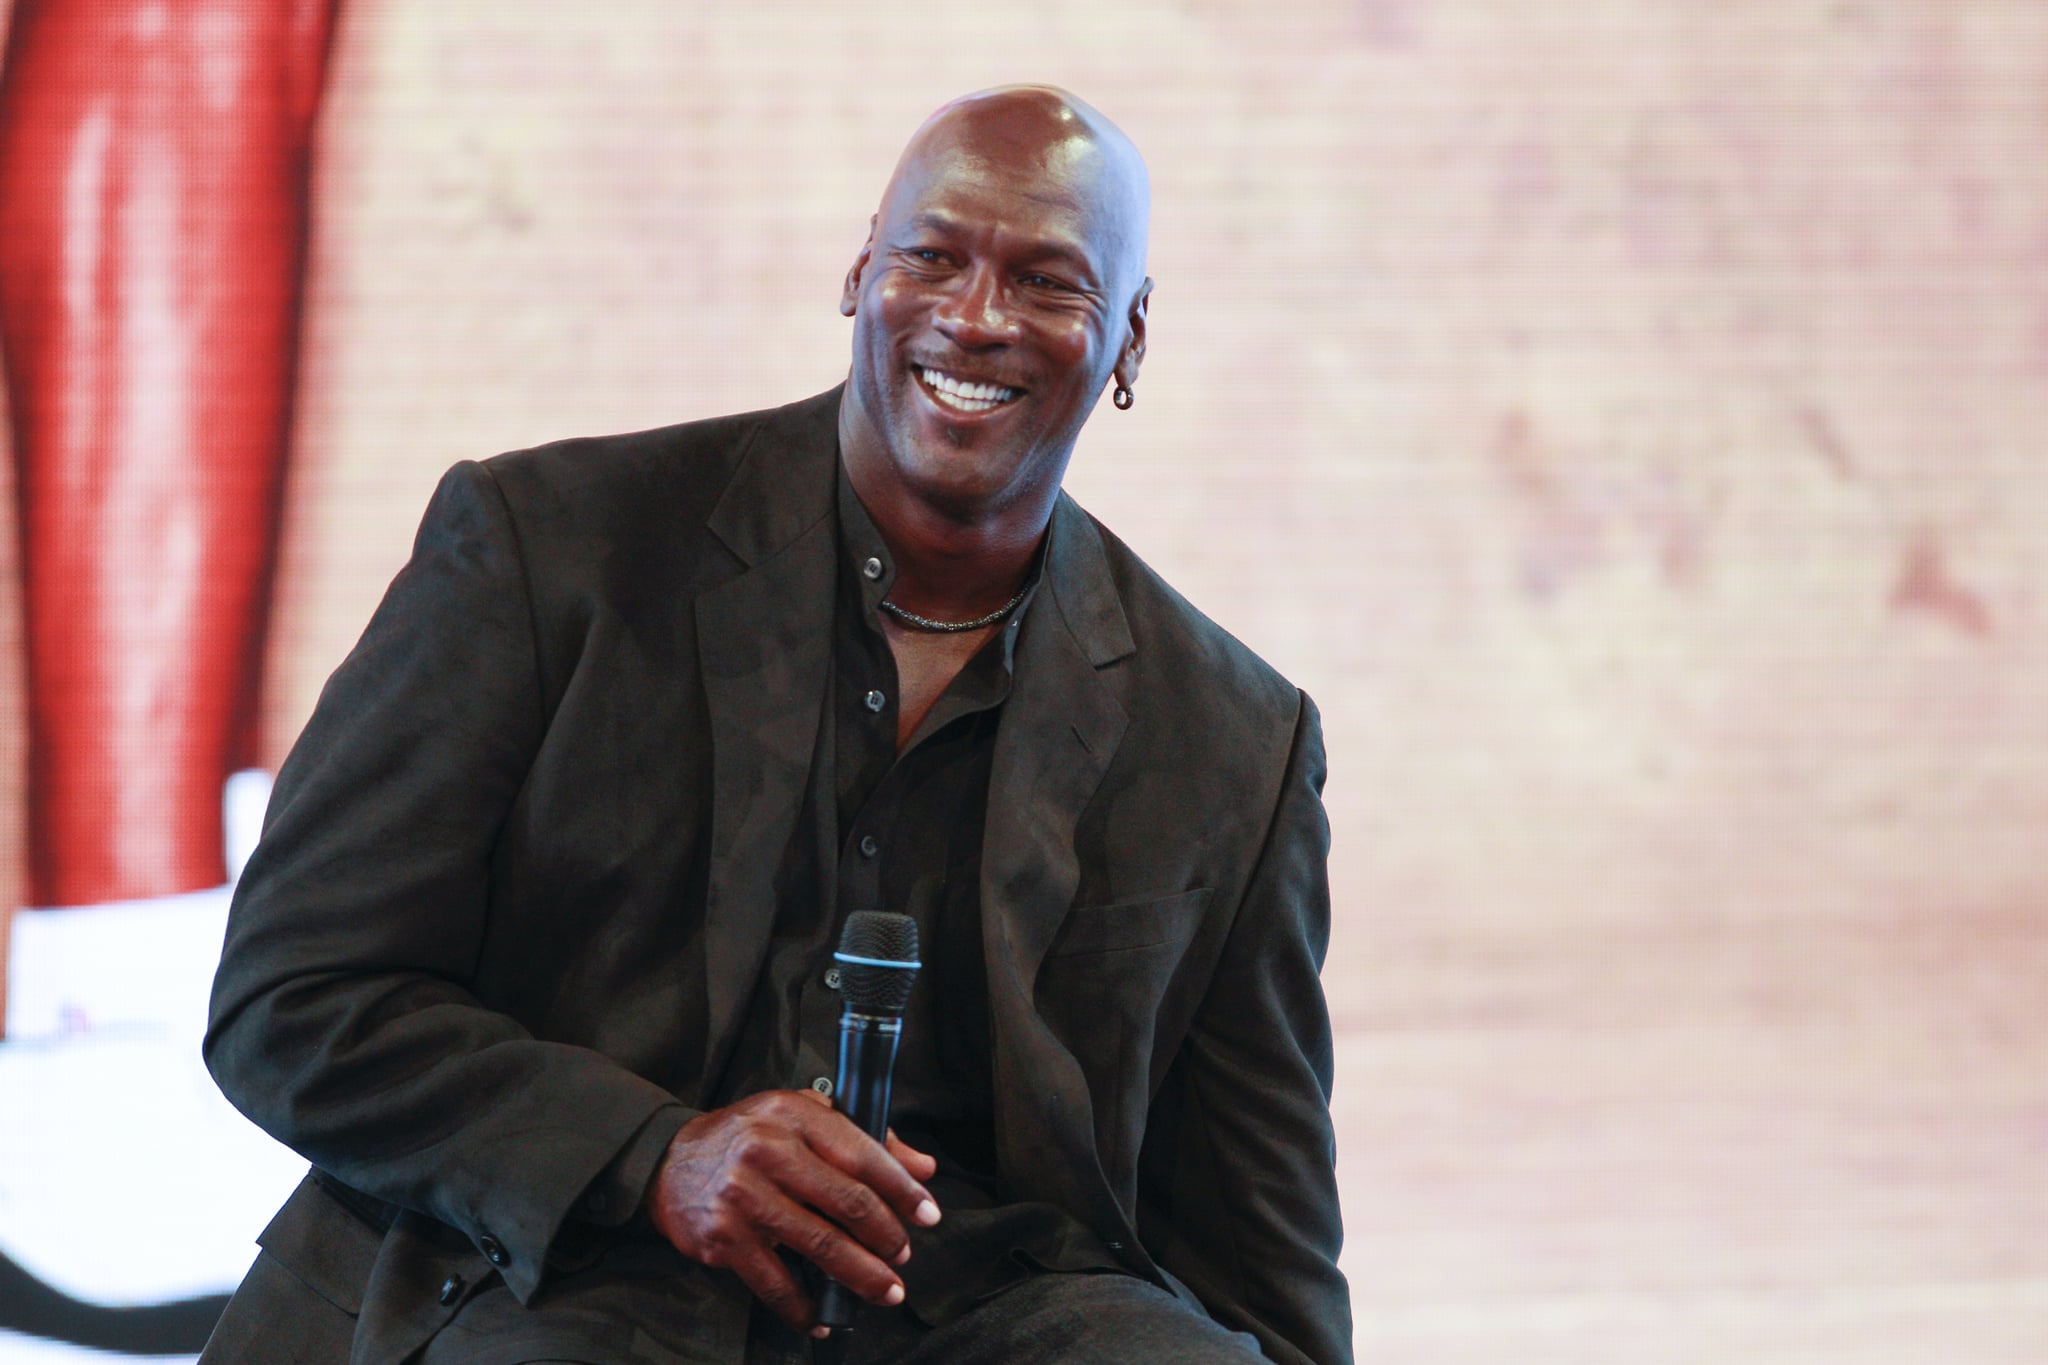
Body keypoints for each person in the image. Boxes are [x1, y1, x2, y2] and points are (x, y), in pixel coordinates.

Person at [202, 85, 1350, 1364]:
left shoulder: (1230, 739)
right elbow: (295, 999)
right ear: (862, 271)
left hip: (982, 1310)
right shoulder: (550, 548)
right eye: (932, 256)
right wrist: (655, 1155)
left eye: (1048, 283)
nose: (975, 318)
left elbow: (1264, 1262)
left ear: (1129, 340)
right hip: (548, 1265)